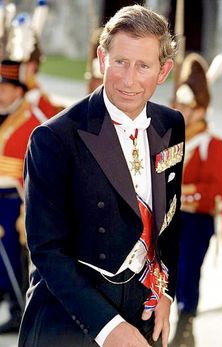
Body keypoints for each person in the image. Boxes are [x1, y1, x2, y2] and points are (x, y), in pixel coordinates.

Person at [18, 5, 185, 347]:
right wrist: (109, 328)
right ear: (101, 57)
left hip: (144, 311)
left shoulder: (172, 125)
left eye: (144, 66)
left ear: (164, 71)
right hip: (70, 315)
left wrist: (165, 292)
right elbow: (47, 251)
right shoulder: (53, 138)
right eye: (120, 61)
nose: (129, 79)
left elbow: (169, 219)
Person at [169, 53, 222, 347]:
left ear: (201, 109)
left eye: (186, 106)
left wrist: (179, 195)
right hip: (170, 218)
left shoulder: (213, 145)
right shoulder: (172, 139)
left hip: (195, 222)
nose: (179, 110)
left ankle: (185, 328)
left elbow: (213, 192)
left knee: (187, 275)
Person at [0, 58, 51, 333]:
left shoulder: (34, 119)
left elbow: (36, 167)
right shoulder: (6, 114)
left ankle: (19, 309)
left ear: (18, 91)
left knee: (14, 258)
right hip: (2, 198)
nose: (0, 94)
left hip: (17, 201)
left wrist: (26, 211)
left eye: (4, 89)